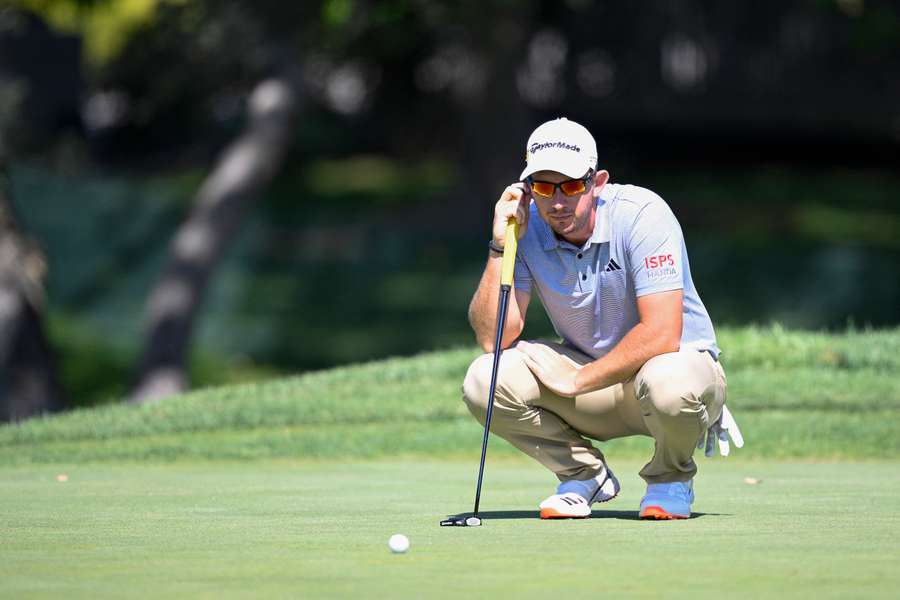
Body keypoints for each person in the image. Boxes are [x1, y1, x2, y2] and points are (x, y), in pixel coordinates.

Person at [463, 117, 743, 520]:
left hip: (672, 376)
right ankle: (584, 475)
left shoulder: (643, 215)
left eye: (572, 186)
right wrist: (498, 246)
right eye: (543, 187)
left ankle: (670, 480)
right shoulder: (525, 229)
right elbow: (494, 338)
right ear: (527, 190)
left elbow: (663, 332)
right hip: (597, 383)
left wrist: (577, 380)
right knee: (483, 378)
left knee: (671, 380)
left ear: (597, 183)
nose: (557, 202)